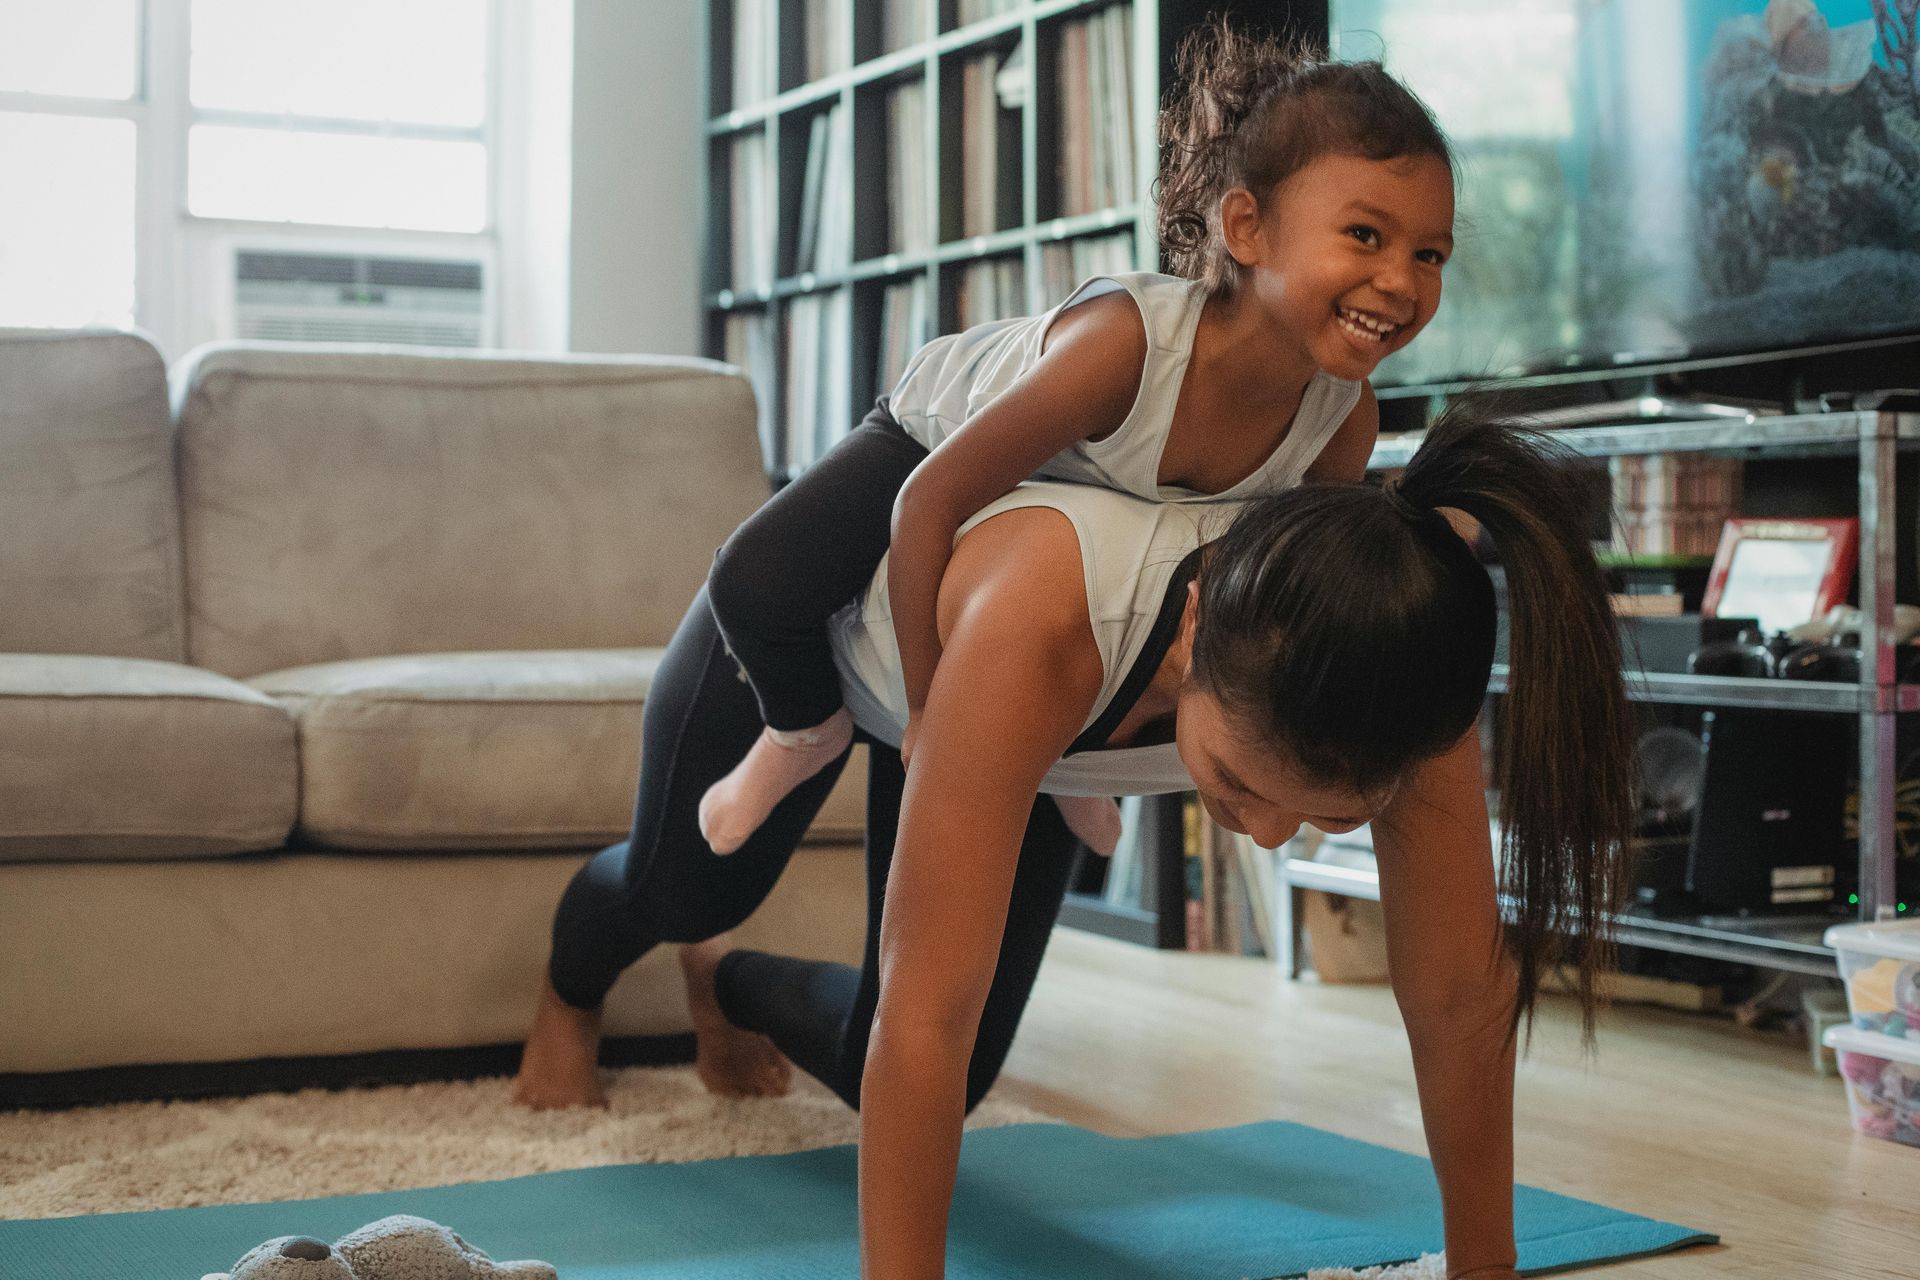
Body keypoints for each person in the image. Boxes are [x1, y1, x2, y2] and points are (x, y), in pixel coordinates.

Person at [512, 399, 1637, 1280]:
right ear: (1195, 631)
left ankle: (729, 986)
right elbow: (926, 1001)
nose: (1281, 836)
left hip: (1000, 732)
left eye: (1331, 815)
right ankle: (576, 986)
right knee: (683, 889)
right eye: (1243, 785)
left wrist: (1484, 1261)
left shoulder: (1397, 667)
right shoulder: (1051, 623)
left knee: (934, 1079)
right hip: (809, 651)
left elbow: (1455, 995)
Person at [694, 19, 1459, 859]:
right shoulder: (1124, 349)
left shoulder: (1341, 419)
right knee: (750, 581)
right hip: (927, 438)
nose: (1401, 281)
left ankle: (1066, 780)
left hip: (1088, 517)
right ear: (1247, 229)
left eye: (1430, 254)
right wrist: (925, 715)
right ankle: (801, 733)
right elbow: (928, 502)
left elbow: (1268, 600)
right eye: (1365, 235)